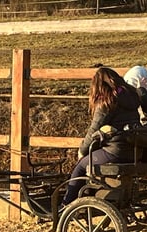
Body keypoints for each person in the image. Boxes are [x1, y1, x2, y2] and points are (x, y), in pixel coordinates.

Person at [60, 67, 142, 207]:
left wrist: (82, 150)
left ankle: (66, 204)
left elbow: (94, 129)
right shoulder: (131, 98)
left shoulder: (106, 102)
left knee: (81, 166)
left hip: (116, 150)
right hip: (134, 150)